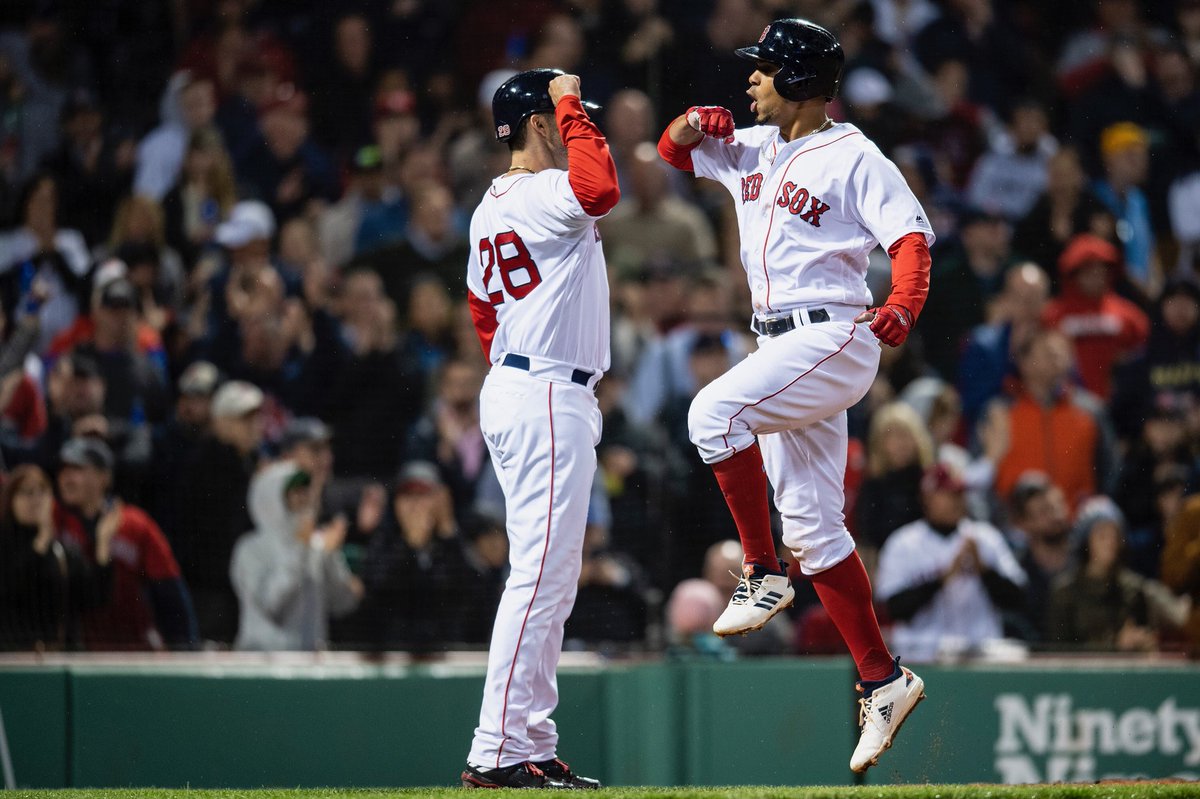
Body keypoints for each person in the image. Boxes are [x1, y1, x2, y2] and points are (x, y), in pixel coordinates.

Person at [657, 19, 931, 772]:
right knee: (815, 527)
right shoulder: (751, 146)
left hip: (834, 332)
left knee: (712, 412)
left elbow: (911, 242)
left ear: (801, 83)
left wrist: (902, 302)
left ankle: (760, 568)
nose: (749, 80)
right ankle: (882, 677)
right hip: (778, 343)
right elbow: (671, 153)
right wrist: (686, 124)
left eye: (764, 69)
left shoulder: (853, 155)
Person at [459, 68, 618, 790]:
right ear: (538, 124)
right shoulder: (545, 191)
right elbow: (601, 188)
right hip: (546, 391)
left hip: (528, 385)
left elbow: (482, 312)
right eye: (559, 118)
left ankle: (529, 739)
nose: (572, 124)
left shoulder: (491, 205)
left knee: (551, 578)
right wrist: (567, 96)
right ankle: (496, 746)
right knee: (540, 577)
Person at [54, 436, 197, 650]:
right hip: (78, 649)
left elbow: (169, 591)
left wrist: (186, 648)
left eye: (77, 469)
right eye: (63, 470)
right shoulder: (54, 520)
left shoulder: (135, 524)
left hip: (133, 649)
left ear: (104, 477)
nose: (67, 478)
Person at [875, 464, 1027, 661]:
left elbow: (1018, 599)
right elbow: (894, 609)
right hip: (920, 655)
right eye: (948, 493)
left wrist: (984, 570)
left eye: (960, 493)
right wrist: (942, 578)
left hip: (980, 651)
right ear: (927, 498)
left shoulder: (985, 537)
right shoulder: (903, 543)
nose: (957, 500)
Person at [229, 459, 362, 651]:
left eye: (305, 490)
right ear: (271, 496)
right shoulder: (250, 549)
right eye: (294, 492)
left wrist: (332, 556)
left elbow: (343, 604)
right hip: (261, 664)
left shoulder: (316, 545)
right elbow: (271, 606)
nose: (304, 498)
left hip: (310, 666)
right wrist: (301, 547)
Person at [0, 463, 111, 650]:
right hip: (12, 660)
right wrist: (41, 540)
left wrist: (103, 544)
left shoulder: (63, 552)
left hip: (57, 658)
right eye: (27, 492)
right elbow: (11, 587)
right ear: (10, 500)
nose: (35, 500)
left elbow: (94, 599)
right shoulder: (5, 548)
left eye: (42, 491)